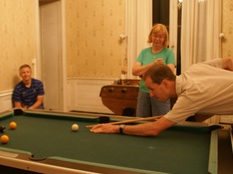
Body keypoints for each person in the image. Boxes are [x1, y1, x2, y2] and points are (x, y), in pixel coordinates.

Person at [91, 57, 233, 136]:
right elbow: (228, 62)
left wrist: (117, 128)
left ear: (165, 83)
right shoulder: (195, 69)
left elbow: (153, 129)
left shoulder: (190, 95)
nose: (151, 95)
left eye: (152, 89)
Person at [132, 23, 175, 117]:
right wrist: (153, 65)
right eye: (155, 35)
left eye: (161, 36)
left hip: (161, 94)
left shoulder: (169, 53)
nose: (157, 39)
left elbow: (169, 73)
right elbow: (134, 71)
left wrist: (145, 73)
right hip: (143, 92)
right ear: (151, 36)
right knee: (141, 123)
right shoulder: (144, 52)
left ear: (165, 39)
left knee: (160, 122)